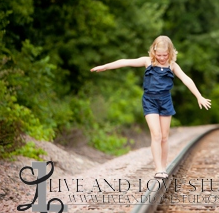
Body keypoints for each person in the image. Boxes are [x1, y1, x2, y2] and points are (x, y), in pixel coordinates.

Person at [90, 35, 211, 178]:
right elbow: (125, 62)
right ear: (154, 51)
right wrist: (105, 67)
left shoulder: (172, 65)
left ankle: (163, 166)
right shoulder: (147, 61)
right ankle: (158, 168)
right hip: (149, 100)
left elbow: (186, 79)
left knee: (165, 137)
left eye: (165, 55)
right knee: (156, 134)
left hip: (165, 101)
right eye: (159, 55)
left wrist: (199, 96)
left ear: (170, 52)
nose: (161, 58)